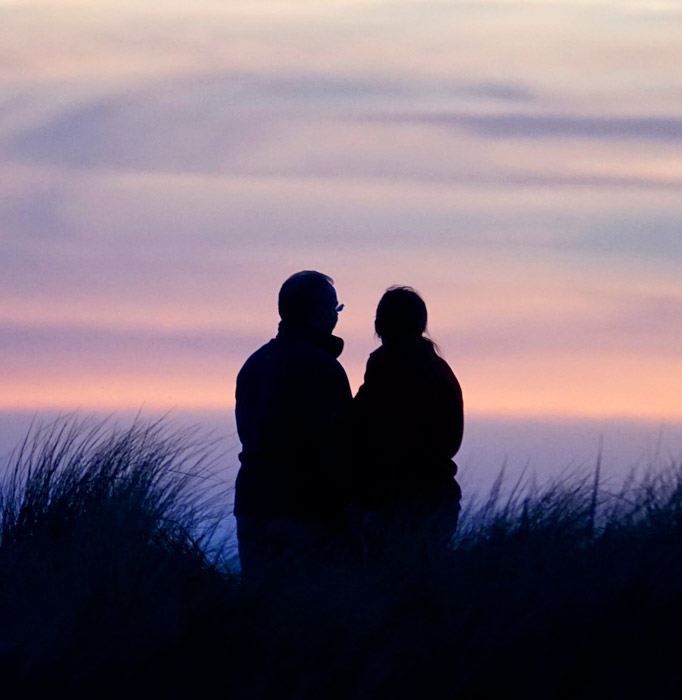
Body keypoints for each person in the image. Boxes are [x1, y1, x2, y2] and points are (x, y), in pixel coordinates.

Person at [234, 271, 352, 577]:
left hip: (252, 506)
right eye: (335, 309)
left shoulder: (254, 364)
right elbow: (339, 447)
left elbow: (247, 433)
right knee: (308, 614)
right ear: (318, 313)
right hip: (305, 512)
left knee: (261, 612)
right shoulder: (325, 370)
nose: (336, 317)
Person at [351, 286, 464, 547]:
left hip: (396, 501)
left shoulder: (386, 365)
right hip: (440, 496)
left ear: (380, 324)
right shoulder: (439, 368)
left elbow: (363, 427)